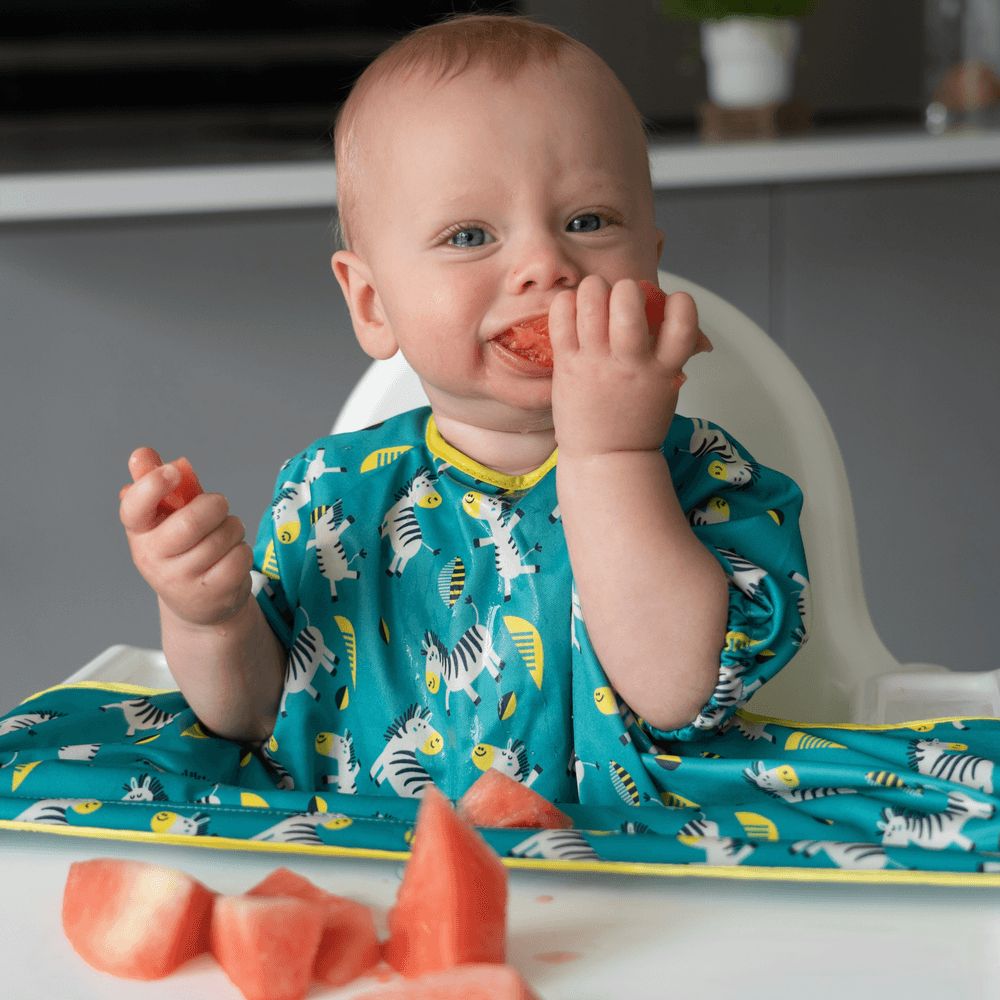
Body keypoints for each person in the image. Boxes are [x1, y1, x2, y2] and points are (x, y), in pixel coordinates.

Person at [117, 13, 808, 805]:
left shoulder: (706, 477)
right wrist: (209, 619)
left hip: (636, 865)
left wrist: (611, 453)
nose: (547, 264)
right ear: (374, 304)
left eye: (588, 221)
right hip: (372, 862)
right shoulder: (332, 491)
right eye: (470, 234)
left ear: (649, 266)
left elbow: (674, 692)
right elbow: (254, 716)